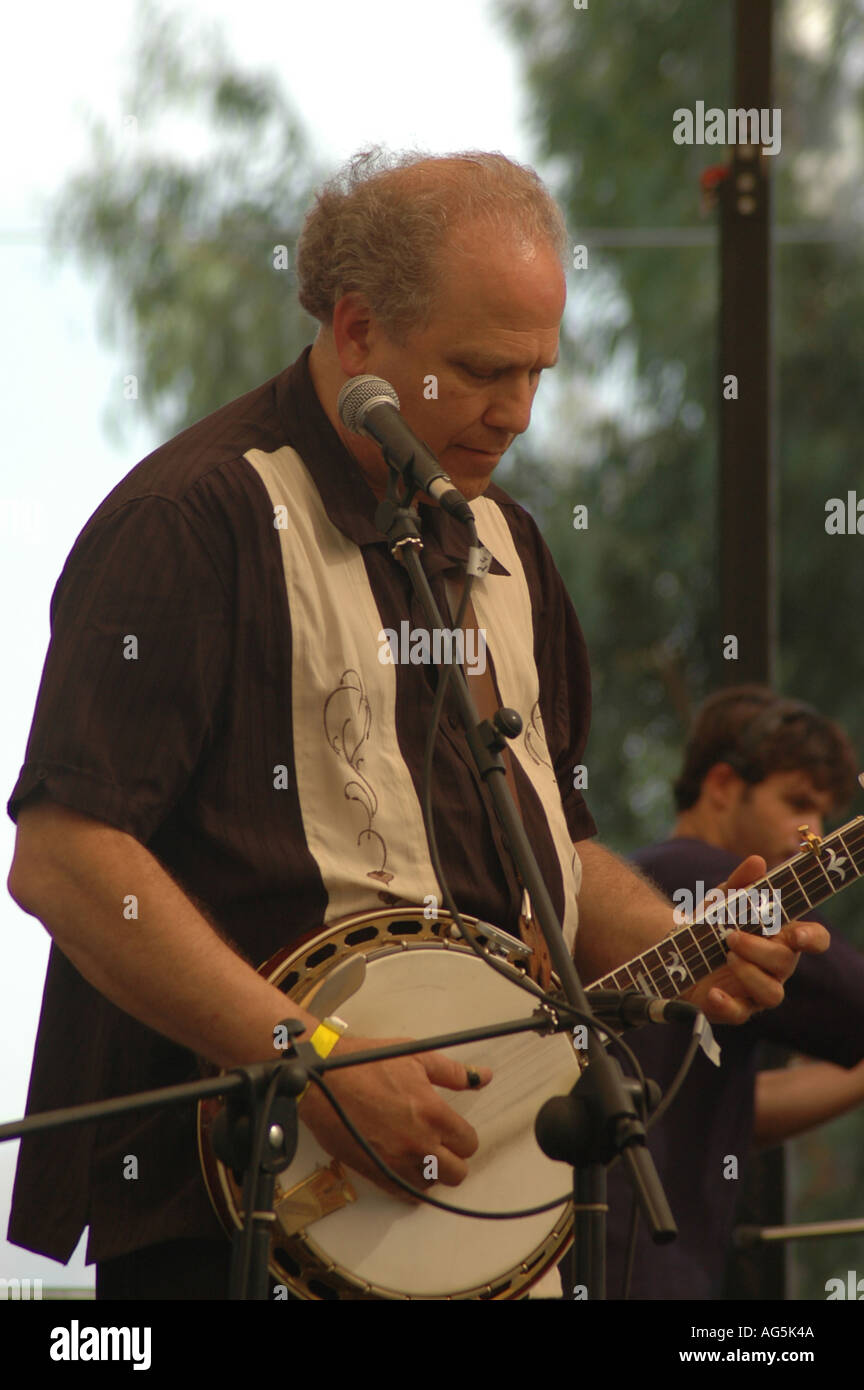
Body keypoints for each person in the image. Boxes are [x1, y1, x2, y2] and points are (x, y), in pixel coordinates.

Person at [5, 151, 827, 1300]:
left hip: (492, 1224)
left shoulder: (510, 550)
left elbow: (562, 850)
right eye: (480, 370)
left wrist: (685, 939)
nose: (516, 414)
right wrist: (314, 1061)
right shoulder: (193, 521)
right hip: (242, 1215)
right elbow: (66, 857)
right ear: (356, 332)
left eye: (539, 371)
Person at [603, 685, 864, 1300]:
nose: (815, 833)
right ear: (722, 785)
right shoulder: (688, 878)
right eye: (797, 802)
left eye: (825, 813)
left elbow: (738, 1112)